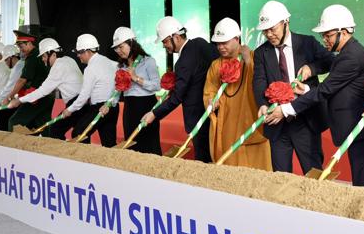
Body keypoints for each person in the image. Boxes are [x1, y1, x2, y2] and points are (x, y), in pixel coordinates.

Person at [284, 5, 364, 188]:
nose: (324, 40)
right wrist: (307, 91)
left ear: (345, 32)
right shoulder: (347, 53)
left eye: (328, 35)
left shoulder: (351, 56)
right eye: (323, 35)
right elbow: (336, 88)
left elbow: (326, 90)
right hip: (359, 129)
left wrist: (287, 108)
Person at [252, 0, 333, 174]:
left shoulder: (307, 43)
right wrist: (263, 104)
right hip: (277, 124)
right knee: (281, 179)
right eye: (265, 31)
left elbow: (331, 61)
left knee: (314, 174)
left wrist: (312, 68)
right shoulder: (261, 53)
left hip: (305, 120)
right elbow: (258, 81)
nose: (269, 34)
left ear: (285, 22)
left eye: (272, 29)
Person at [142, 17, 217, 162]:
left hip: (198, 119)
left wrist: (154, 114)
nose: (164, 46)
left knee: (203, 160)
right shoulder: (200, 43)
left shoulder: (182, 62)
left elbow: (177, 98)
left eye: (164, 41)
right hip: (214, 113)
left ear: (176, 37)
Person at [203, 18, 271, 170]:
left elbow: (261, 84)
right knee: (230, 164)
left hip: (252, 119)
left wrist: (248, 62)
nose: (220, 47)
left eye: (224, 42)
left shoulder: (254, 57)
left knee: (258, 167)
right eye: (218, 43)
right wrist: (210, 101)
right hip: (227, 122)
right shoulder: (216, 65)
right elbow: (210, 89)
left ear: (236, 39)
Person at [7, 38, 82, 138]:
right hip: (80, 101)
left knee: (56, 129)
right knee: (53, 128)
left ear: (53, 54)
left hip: (76, 102)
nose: (43, 59)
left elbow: (43, 91)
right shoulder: (69, 60)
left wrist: (19, 101)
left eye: (44, 56)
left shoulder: (58, 66)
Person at [60, 33, 118, 146]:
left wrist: (69, 110)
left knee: (78, 134)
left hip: (99, 109)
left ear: (87, 51)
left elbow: (83, 97)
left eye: (79, 52)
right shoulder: (112, 63)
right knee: (109, 144)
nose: (78, 56)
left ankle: (83, 161)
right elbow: (118, 87)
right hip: (113, 108)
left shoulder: (90, 68)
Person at [112, 27, 162, 154]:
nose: (118, 51)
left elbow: (157, 86)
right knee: (131, 143)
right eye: (116, 48)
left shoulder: (148, 61)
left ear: (131, 43)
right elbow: (118, 90)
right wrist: (110, 103)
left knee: (149, 144)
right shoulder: (121, 67)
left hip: (147, 106)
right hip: (130, 108)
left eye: (121, 46)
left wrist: (136, 78)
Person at [6, 25, 53, 132]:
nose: (20, 50)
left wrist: (10, 96)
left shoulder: (32, 57)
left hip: (37, 97)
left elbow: (23, 80)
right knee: (42, 126)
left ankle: (13, 148)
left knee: (14, 123)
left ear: (29, 43)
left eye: (21, 46)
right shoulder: (38, 54)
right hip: (48, 97)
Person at [0, 44, 24, 131]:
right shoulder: (19, 66)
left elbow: (9, 87)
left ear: (11, 57)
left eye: (6, 60)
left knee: (8, 126)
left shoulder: (18, 67)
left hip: (24, 102)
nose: (5, 63)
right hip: (19, 101)